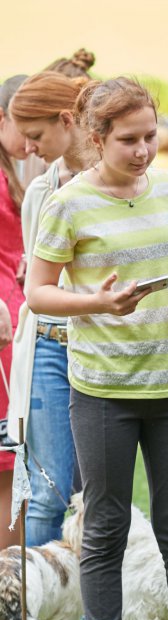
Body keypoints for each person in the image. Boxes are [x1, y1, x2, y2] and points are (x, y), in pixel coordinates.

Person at [27, 76, 168, 620]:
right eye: (128, 140)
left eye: (150, 136)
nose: (142, 150)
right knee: (104, 528)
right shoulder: (68, 203)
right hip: (103, 388)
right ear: (96, 137)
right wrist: (97, 301)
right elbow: (38, 293)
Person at [8, 70, 96, 546]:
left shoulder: (120, 179)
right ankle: (30, 613)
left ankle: (96, 610)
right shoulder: (40, 191)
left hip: (103, 347)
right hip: (49, 345)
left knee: (98, 492)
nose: (29, 148)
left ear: (67, 120)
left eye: (37, 136)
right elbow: (39, 287)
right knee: (48, 490)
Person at [0, 75, 27, 547]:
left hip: (22, 323)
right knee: (8, 463)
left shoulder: (19, 168)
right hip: (3, 325)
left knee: (16, 460)